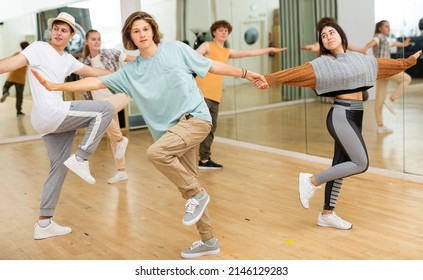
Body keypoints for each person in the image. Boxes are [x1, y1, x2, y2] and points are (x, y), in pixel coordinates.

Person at [31, 11, 267, 258]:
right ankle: (209, 240)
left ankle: (198, 194)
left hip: (195, 119)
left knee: (159, 157)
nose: (141, 34)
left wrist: (246, 73)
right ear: (130, 37)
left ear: (153, 31)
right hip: (170, 133)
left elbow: (211, 66)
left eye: (145, 29)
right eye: (136, 31)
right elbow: (94, 83)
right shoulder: (131, 71)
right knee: (188, 189)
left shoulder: (176, 49)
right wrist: (56, 86)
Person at [255, 22, 421, 229]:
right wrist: (270, 78)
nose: (328, 36)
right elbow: (297, 73)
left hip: (356, 114)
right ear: (322, 43)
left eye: (331, 32)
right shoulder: (324, 63)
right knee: (361, 163)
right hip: (341, 115)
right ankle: (311, 181)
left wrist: (407, 62)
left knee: (340, 166)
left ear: (341, 35)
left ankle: (327, 214)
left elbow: (381, 66)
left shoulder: (359, 58)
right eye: (324, 35)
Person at [0, 12, 129, 240]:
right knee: (105, 109)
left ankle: (44, 223)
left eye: (64, 30)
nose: (58, 32)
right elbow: (11, 63)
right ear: (52, 31)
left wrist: (121, 75)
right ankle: (81, 158)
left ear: (71, 35)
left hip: (47, 121)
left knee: (58, 168)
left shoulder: (67, 59)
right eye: (56, 28)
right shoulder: (38, 48)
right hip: (52, 113)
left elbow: (93, 72)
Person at [195, 20, 287, 170]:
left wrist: (270, 49)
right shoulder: (207, 46)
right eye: (220, 30)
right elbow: (190, 58)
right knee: (199, 127)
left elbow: (249, 52)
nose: (224, 33)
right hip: (201, 93)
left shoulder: (227, 51)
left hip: (215, 95)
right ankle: (185, 156)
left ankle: (204, 160)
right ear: (214, 33)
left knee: (211, 128)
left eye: (226, 30)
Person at [81, 29, 137, 184]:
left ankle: (121, 139)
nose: (97, 42)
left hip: (118, 95)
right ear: (86, 42)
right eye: (93, 39)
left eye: (99, 38)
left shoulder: (111, 53)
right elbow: (85, 88)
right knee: (113, 137)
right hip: (100, 104)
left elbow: (133, 59)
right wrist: (88, 107)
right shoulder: (84, 64)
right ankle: (121, 171)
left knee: (107, 120)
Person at [360, 20, 412, 134]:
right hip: (386, 67)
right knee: (407, 79)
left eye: (389, 26)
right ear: (380, 28)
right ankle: (392, 99)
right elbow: (373, 42)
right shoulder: (379, 36)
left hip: (379, 69)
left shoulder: (385, 40)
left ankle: (380, 126)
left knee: (380, 97)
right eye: (386, 26)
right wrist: (364, 49)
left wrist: (404, 44)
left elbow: (394, 43)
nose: (389, 28)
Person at [1, 41, 30, 116]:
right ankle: (19, 111)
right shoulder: (29, 57)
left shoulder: (18, 54)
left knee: (5, 87)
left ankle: (5, 92)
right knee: (19, 96)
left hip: (12, 76)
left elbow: (9, 60)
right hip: (20, 79)